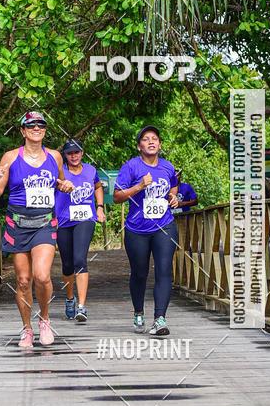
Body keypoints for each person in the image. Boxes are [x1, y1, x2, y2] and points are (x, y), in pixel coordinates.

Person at [0, 111, 73, 348]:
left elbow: (60, 182)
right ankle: (27, 329)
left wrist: (66, 186)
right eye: (31, 125)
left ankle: (44, 319)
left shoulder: (55, 156)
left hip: (45, 222)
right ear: (23, 131)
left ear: (45, 130)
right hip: (18, 223)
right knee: (24, 281)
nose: (36, 128)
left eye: (41, 125)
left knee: (42, 275)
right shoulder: (10, 157)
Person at [113, 125, 179, 336]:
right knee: (140, 273)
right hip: (137, 229)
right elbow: (117, 196)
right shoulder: (131, 167)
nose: (151, 142)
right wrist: (139, 186)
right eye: (146, 139)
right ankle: (138, 311)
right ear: (139, 145)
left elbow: (173, 185)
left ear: (159, 144)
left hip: (164, 226)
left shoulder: (167, 167)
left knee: (164, 270)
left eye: (154, 139)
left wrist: (173, 196)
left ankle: (160, 319)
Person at [55, 138, 106, 322]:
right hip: (64, 221)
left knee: (79, 259)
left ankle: (82, 307)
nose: (74, 156)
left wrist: (99, 207)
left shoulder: (91, 170)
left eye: (76, 152)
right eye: (70, 153)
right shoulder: (60, 172)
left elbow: (98, 186)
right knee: (67, 264)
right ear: (65, 156)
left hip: (85, 218)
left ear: (82, 152)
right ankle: (70, 298)